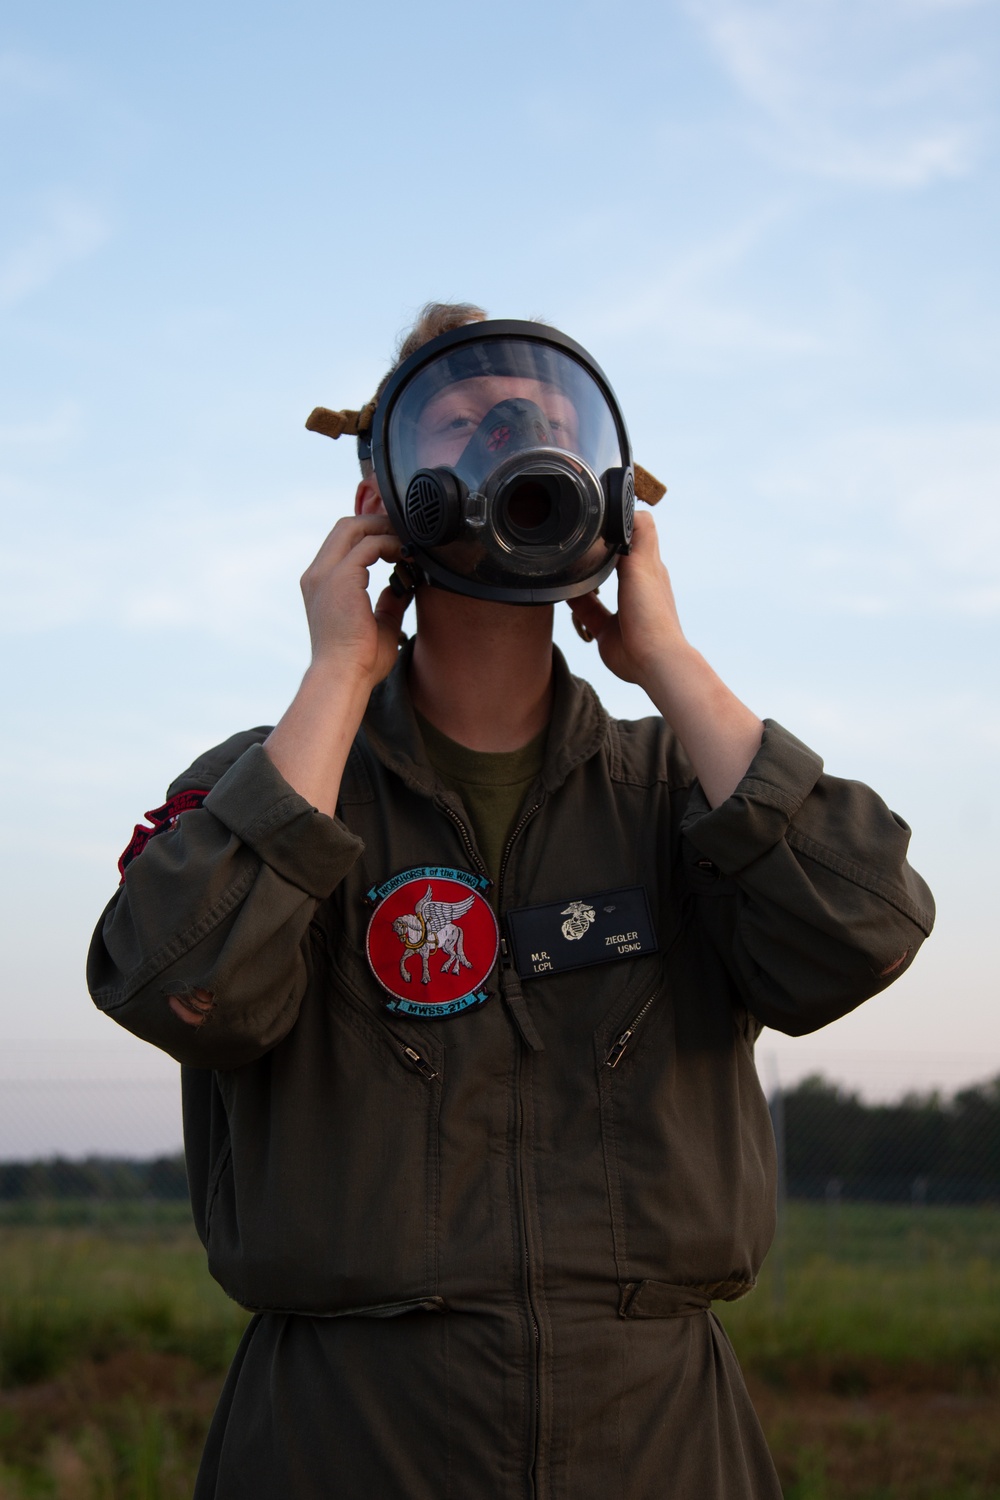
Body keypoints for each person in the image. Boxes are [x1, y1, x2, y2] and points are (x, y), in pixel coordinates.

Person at [88, 302, 934, 1499]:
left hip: (657, 1438)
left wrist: (670, 664)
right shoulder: (269, 779)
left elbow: (864, 933)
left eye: (537, 420)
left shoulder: (676, 788)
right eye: (464, 421)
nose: (510, 440)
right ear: (386, 495)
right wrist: (335, 675)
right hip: (342, 1439)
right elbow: (177, 985)